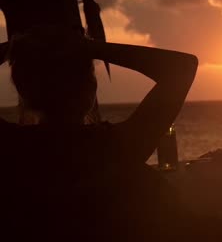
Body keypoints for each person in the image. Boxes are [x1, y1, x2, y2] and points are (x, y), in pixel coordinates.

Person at [0, 27, 198, 241]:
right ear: (90, 88)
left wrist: (15, 49)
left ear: (23, 89)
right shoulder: (115, 148)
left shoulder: (9, 148)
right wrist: (94, 48)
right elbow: (182, 67)